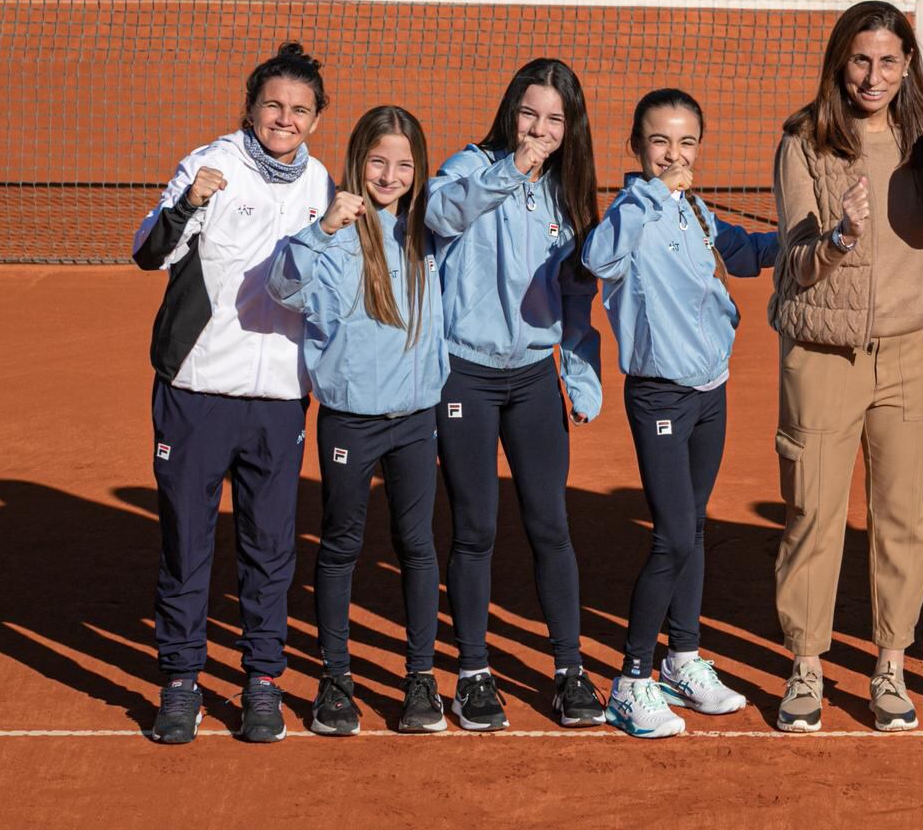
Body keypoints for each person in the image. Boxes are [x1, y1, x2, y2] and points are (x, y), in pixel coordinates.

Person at [768, 1, 923, 734]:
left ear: (907, 64)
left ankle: (890, 665)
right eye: (860, 60)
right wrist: (841, 237)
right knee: (814, 513)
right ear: (838, 62)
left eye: (888, 61)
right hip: (823, 360)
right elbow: (794, 265)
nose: (873, 76)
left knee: (901, 520)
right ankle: (807, 665)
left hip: (910, 358)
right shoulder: (804, 145)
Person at [132, 41, 333, 745]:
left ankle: (262, 683)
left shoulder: (322, 187)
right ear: (251, 107)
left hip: (280, 398)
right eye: (274, 105)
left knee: (270, 548)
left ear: (315, 119)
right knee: (187, 544)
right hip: (197, 392)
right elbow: (147, 252)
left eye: (300, 110)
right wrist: (188, 204)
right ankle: (182, 682)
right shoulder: (207, 164)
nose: (285, 118)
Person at [584, 88, 779, 739]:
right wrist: (655, 193)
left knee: (691, 526)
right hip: (660, 398)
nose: (674, 153)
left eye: (686, 141)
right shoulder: (630, 212)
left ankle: (683, 658)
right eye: (660, 141)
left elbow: (744, 253)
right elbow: (597, 259)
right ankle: (631, 680)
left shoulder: (694, 210)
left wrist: (816, 235)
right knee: (670, 534)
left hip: (709, 393)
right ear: (637, 149)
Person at [426, 58, 605, 731]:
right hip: (464, 374)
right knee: (475, 527)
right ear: (511, 112)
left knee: (549, 524)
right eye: (530, 114)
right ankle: (473, 673)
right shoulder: (469, 167)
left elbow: (577, 296)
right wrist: (511, 171)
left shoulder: (568, 192)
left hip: (533, 378)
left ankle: (569, 670)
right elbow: (439, 216)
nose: (540, 128)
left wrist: (579, 375)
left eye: (555, 119)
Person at [268, 105, 450, 737]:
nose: (390, 174)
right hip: (351, 421)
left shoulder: (430, 234)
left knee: (418, 544)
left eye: (404, 164)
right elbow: (283, 289)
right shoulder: (335, 233)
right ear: (356, 162)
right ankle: (335, 678)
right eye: (378, 161)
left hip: (416, 416)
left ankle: (421, 677)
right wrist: (322, 230)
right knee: (342, 543)